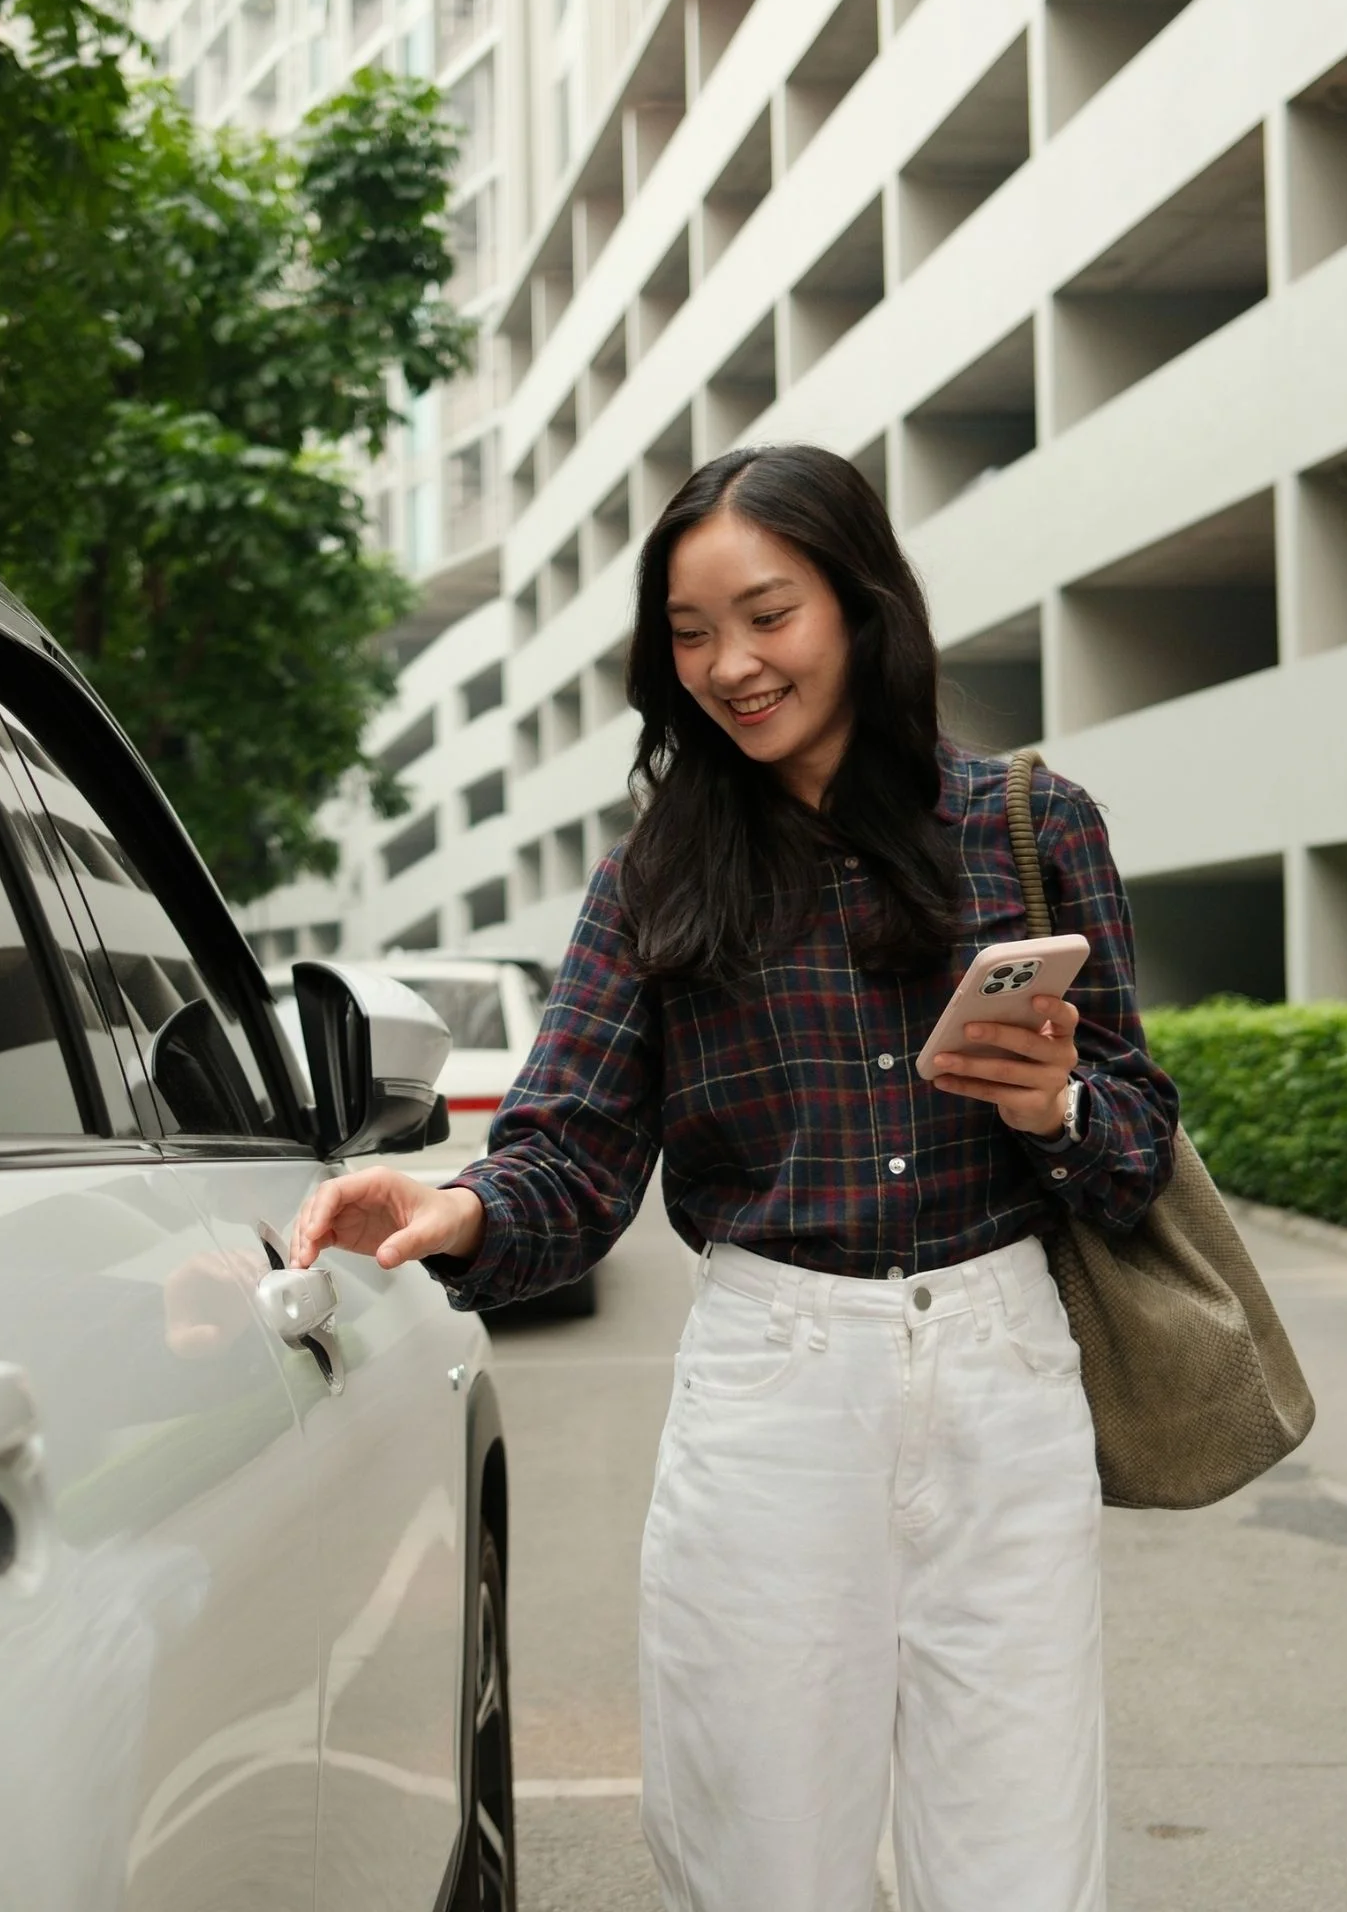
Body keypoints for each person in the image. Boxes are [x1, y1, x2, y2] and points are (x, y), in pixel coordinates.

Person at [291, 444, 1178, 1912]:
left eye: (767, 615)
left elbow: (1140, 1147)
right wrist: (455, 1207)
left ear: (860, 603)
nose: (730, 665)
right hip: (776, 1382)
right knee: (761, 1850)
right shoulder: (656, 878)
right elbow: (570, 1154)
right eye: (691, 634)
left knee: (1022, 1857)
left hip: (1004, 1374)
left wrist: (1060, 1101)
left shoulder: (1030, 826)